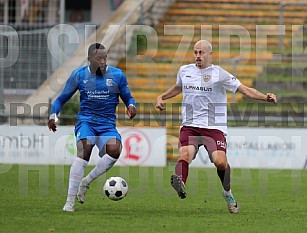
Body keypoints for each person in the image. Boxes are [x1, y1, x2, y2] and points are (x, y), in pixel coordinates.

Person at [155, 40, 277, 214]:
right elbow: (178, 87)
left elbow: (245, 90)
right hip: (190, 125)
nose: (197, 56)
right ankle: (180, 181)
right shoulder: (184, 71)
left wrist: (265, 97)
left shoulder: (219, 74)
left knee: (220, 162)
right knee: (185, 154)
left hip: (214, 128)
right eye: (195, 52)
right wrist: (162, 97)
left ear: (210, 54)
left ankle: (227, 192)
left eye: (201, 53)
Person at [48, 43, 137, 212]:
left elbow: (128, 97)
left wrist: (131, 106)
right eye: (98, 59)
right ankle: (69, 203)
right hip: (86, 122)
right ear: (89, 59)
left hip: (107, 125)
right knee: (84, 151)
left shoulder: (117, 75)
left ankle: (86, 182)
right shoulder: (79, 75)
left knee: (115, 150)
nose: (103, 61)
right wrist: (53, 115)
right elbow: (60, 99)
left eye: (105, 58)